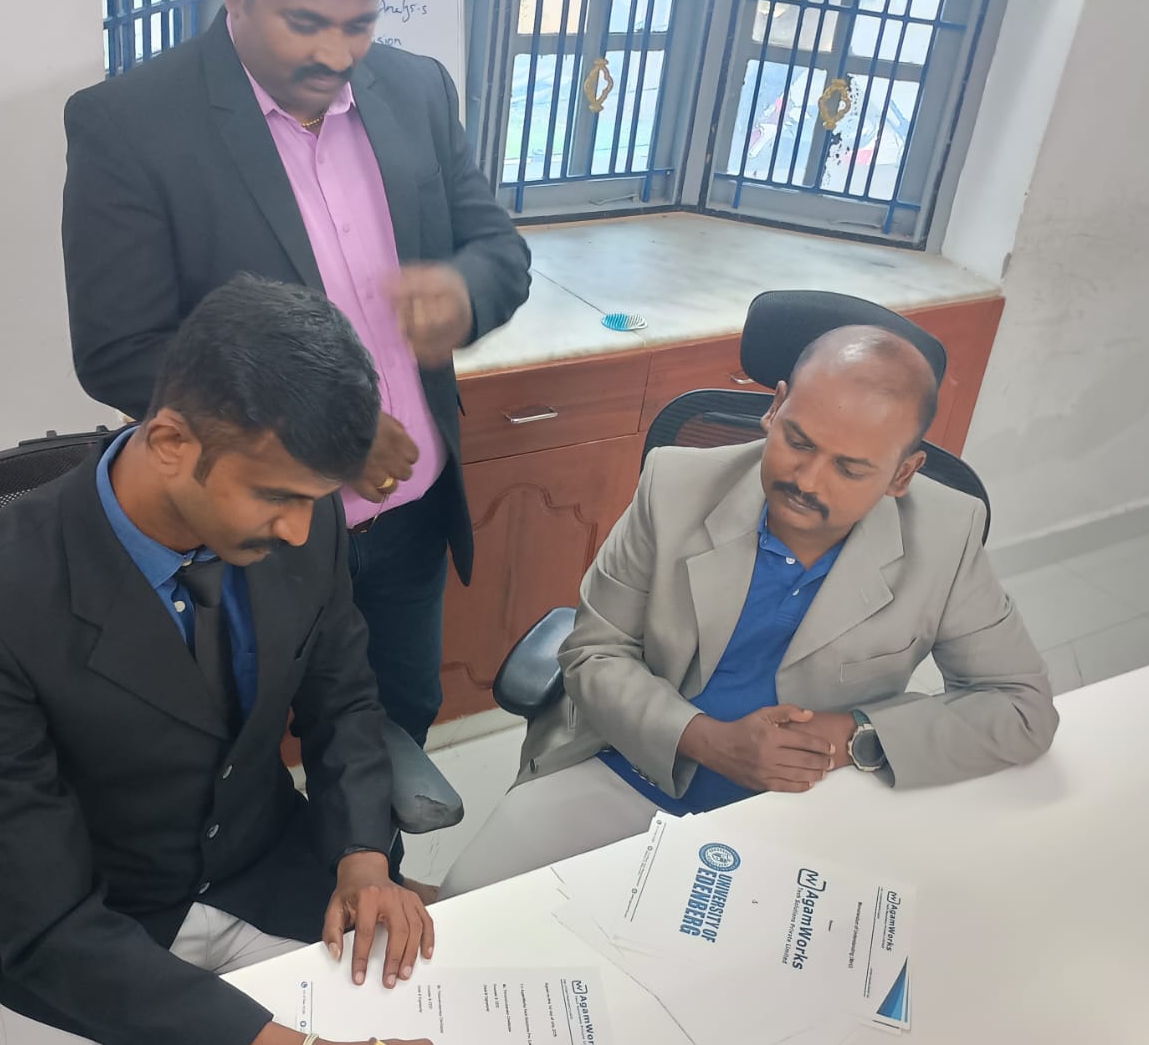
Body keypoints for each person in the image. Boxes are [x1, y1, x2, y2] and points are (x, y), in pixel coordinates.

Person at [0, 276, 451, 1045]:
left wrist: (363, 856)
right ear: (170, 442)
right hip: (93, 934)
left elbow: (344, 701)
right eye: (276, 496)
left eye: (313, 498)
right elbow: (45, 920)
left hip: (267, 877)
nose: (299, 529)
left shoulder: (307, 516)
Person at [62, 0, 531, 753]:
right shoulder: (132, 124)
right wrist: (322, 433)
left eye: (360, 23)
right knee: (236, 758)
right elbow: (118, 349)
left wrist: (463, 292)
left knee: (391, 738)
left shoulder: (417, 89)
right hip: (254, 534)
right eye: (307, 23)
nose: (337, 54)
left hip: (411, 521)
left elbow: (499, 249)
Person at [439, 325, 1059, 896]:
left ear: (903, 474)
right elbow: (594, 650)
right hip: (635, 760)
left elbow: (1022, 707)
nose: (808, 480)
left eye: (849, 468)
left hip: (803, 801)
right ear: (775, 407)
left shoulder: (948, 535)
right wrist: (706, 740)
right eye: (798, 441)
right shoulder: (674, 486)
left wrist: (853, 736)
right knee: (471, 909)